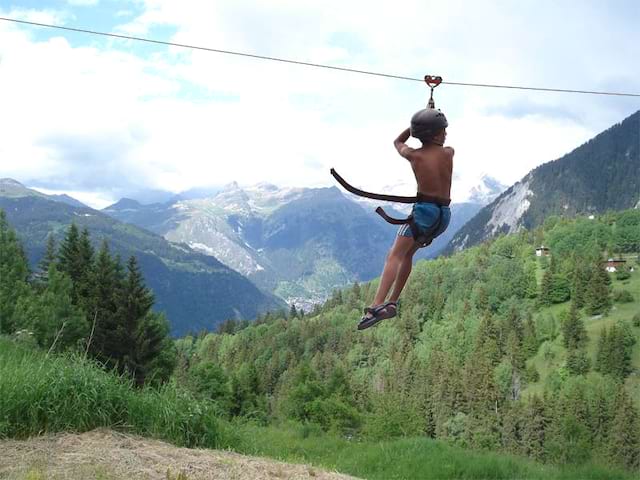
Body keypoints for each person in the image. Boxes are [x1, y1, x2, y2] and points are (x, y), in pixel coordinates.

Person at [358, 108, 454, 330]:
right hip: (443, 216)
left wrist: (413, 128)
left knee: (395, 255)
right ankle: (391, 302)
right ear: (436, 134)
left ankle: (376, 305)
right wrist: (424, 123)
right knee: (408, 254)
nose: (446, 134)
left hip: (424, 213)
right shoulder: (449, 153)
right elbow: (441, 145)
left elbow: (397, 141)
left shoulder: (414, 155)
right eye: (443, 130)